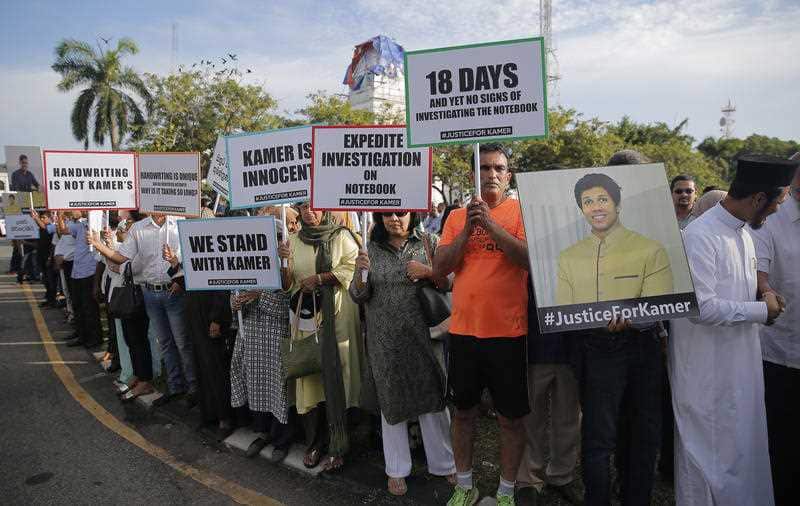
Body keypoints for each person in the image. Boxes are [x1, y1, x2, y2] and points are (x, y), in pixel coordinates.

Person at [669, 154, 796, 506]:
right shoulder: (700, 236)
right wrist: (760, 310)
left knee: (739, 452)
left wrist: (765, 296)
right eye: (776, 204)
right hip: (705, 374)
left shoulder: (743, 234)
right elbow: (701, 307)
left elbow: (740, 292)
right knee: (705, 458)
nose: (775, 213)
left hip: (738, 369)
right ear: (758, 199)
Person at [434, 143, 529, 506]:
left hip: (508, 332)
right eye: (485, 167)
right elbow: (441, 269)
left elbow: (528, 260)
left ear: (508, 175)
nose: (491, 174)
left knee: (510, 419)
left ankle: (506, 491)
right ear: (475, 173)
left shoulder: (519, 212)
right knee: (463, 413)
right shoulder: (458, 216)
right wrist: (467, 229)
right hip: (464, 332)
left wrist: (490, 225)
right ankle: (464, 484)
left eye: (498, 168)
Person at [572, 150, 665, 506]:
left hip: (646, 340)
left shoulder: (658, 226)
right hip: (602, 344)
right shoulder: (586, 226)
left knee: (644, 433)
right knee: (600, 437)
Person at [350, 210, 456, 496]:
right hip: (385, 341)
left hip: (425, 337)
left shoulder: (429, 242)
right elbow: (358, 295)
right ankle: (396, 469)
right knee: (391, 403)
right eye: (387, 214)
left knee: (433, 399)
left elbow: (451, 281)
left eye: (401, 213)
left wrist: (429, 272)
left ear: (414, 214)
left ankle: (444, 464)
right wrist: (361, 273)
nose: (394, 218)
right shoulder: (368, 249)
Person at [277, 202, 364, 473]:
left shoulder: (342, 236)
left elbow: (351, 271)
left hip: (338, 320)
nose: (308, 212)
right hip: (306, 320)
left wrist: (321, 278)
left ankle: (339, 445)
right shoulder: (292, 240)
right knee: (310, 380)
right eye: (303, 208)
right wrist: (283, 262)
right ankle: (314, 443)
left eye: (313, 206)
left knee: (339, 379)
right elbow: (285, 285)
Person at [87, 213, 197, 407]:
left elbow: (190, 255)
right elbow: (122, 257)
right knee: (165, 342)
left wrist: (180, 278)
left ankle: (193, 389)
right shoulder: (139, 228)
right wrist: (98, 245)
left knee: (182, 342)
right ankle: (175, 387)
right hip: (150, 293)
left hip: (173, 292)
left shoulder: (179, 224)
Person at [749, 154, 800, 506]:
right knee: (782, 442)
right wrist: (767, 294)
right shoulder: (773, 218)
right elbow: (759, 277)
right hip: (780, 351)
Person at [556, 170, 673, 305]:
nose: (596, 208)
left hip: (640, 327)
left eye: (603, 200)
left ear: (618, 205)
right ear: (582, 210)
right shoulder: (567, 257)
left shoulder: (653, 250)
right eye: (588, 202)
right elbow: (564, 314)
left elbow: (660, 307)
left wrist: (631, 320)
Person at [163, 242, 232, 438]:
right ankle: (208, 414)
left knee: (215, 368)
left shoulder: (218, 256)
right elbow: (187, 281)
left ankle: (224, 418)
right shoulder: (194, 254)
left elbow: (222, 287)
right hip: (194, 317)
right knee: (200, 366)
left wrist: (217, 319)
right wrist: (175, 263)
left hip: (211, 318)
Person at [57, 211, 104, 348]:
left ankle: (95, 338)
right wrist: (60, 214)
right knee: (78, 306)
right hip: (77, 271)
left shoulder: (101, 222)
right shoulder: (81, 225)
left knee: (89, 308)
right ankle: (82, 335)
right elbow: (63, 230)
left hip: (90, 271)